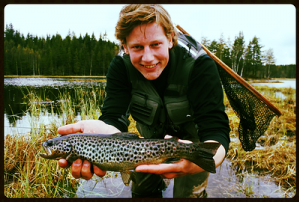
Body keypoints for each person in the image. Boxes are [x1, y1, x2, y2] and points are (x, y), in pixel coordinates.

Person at [58, 4, 230, 198]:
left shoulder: (199, 64)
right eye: (137, 47)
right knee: (142, 192)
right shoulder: (120, 67)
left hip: (193, 143)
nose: (148, 58)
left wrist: (204, 160)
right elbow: (114, 117)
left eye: (156, 44)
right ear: (125, 46)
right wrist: (103, 134)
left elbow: (215, 128)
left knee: (189, 195)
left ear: (170, 38)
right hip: (143, 146)